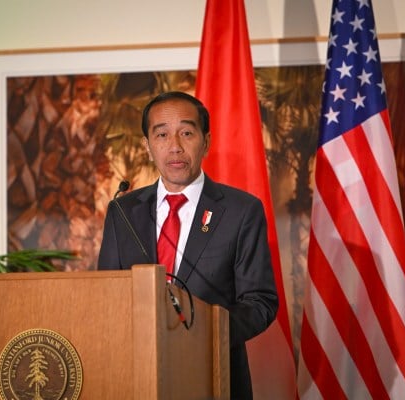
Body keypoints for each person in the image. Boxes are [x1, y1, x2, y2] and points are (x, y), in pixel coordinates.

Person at [98, 91, 278, 399]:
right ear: (147, 146)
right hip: (134, 378)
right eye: (162, 135)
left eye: (186, 133)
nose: (175, 147)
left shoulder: (241, 210)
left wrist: (202, 332)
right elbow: (105, 297)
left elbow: (260, 302)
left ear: (205, 141)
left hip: (214, 377)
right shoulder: (122, 213)